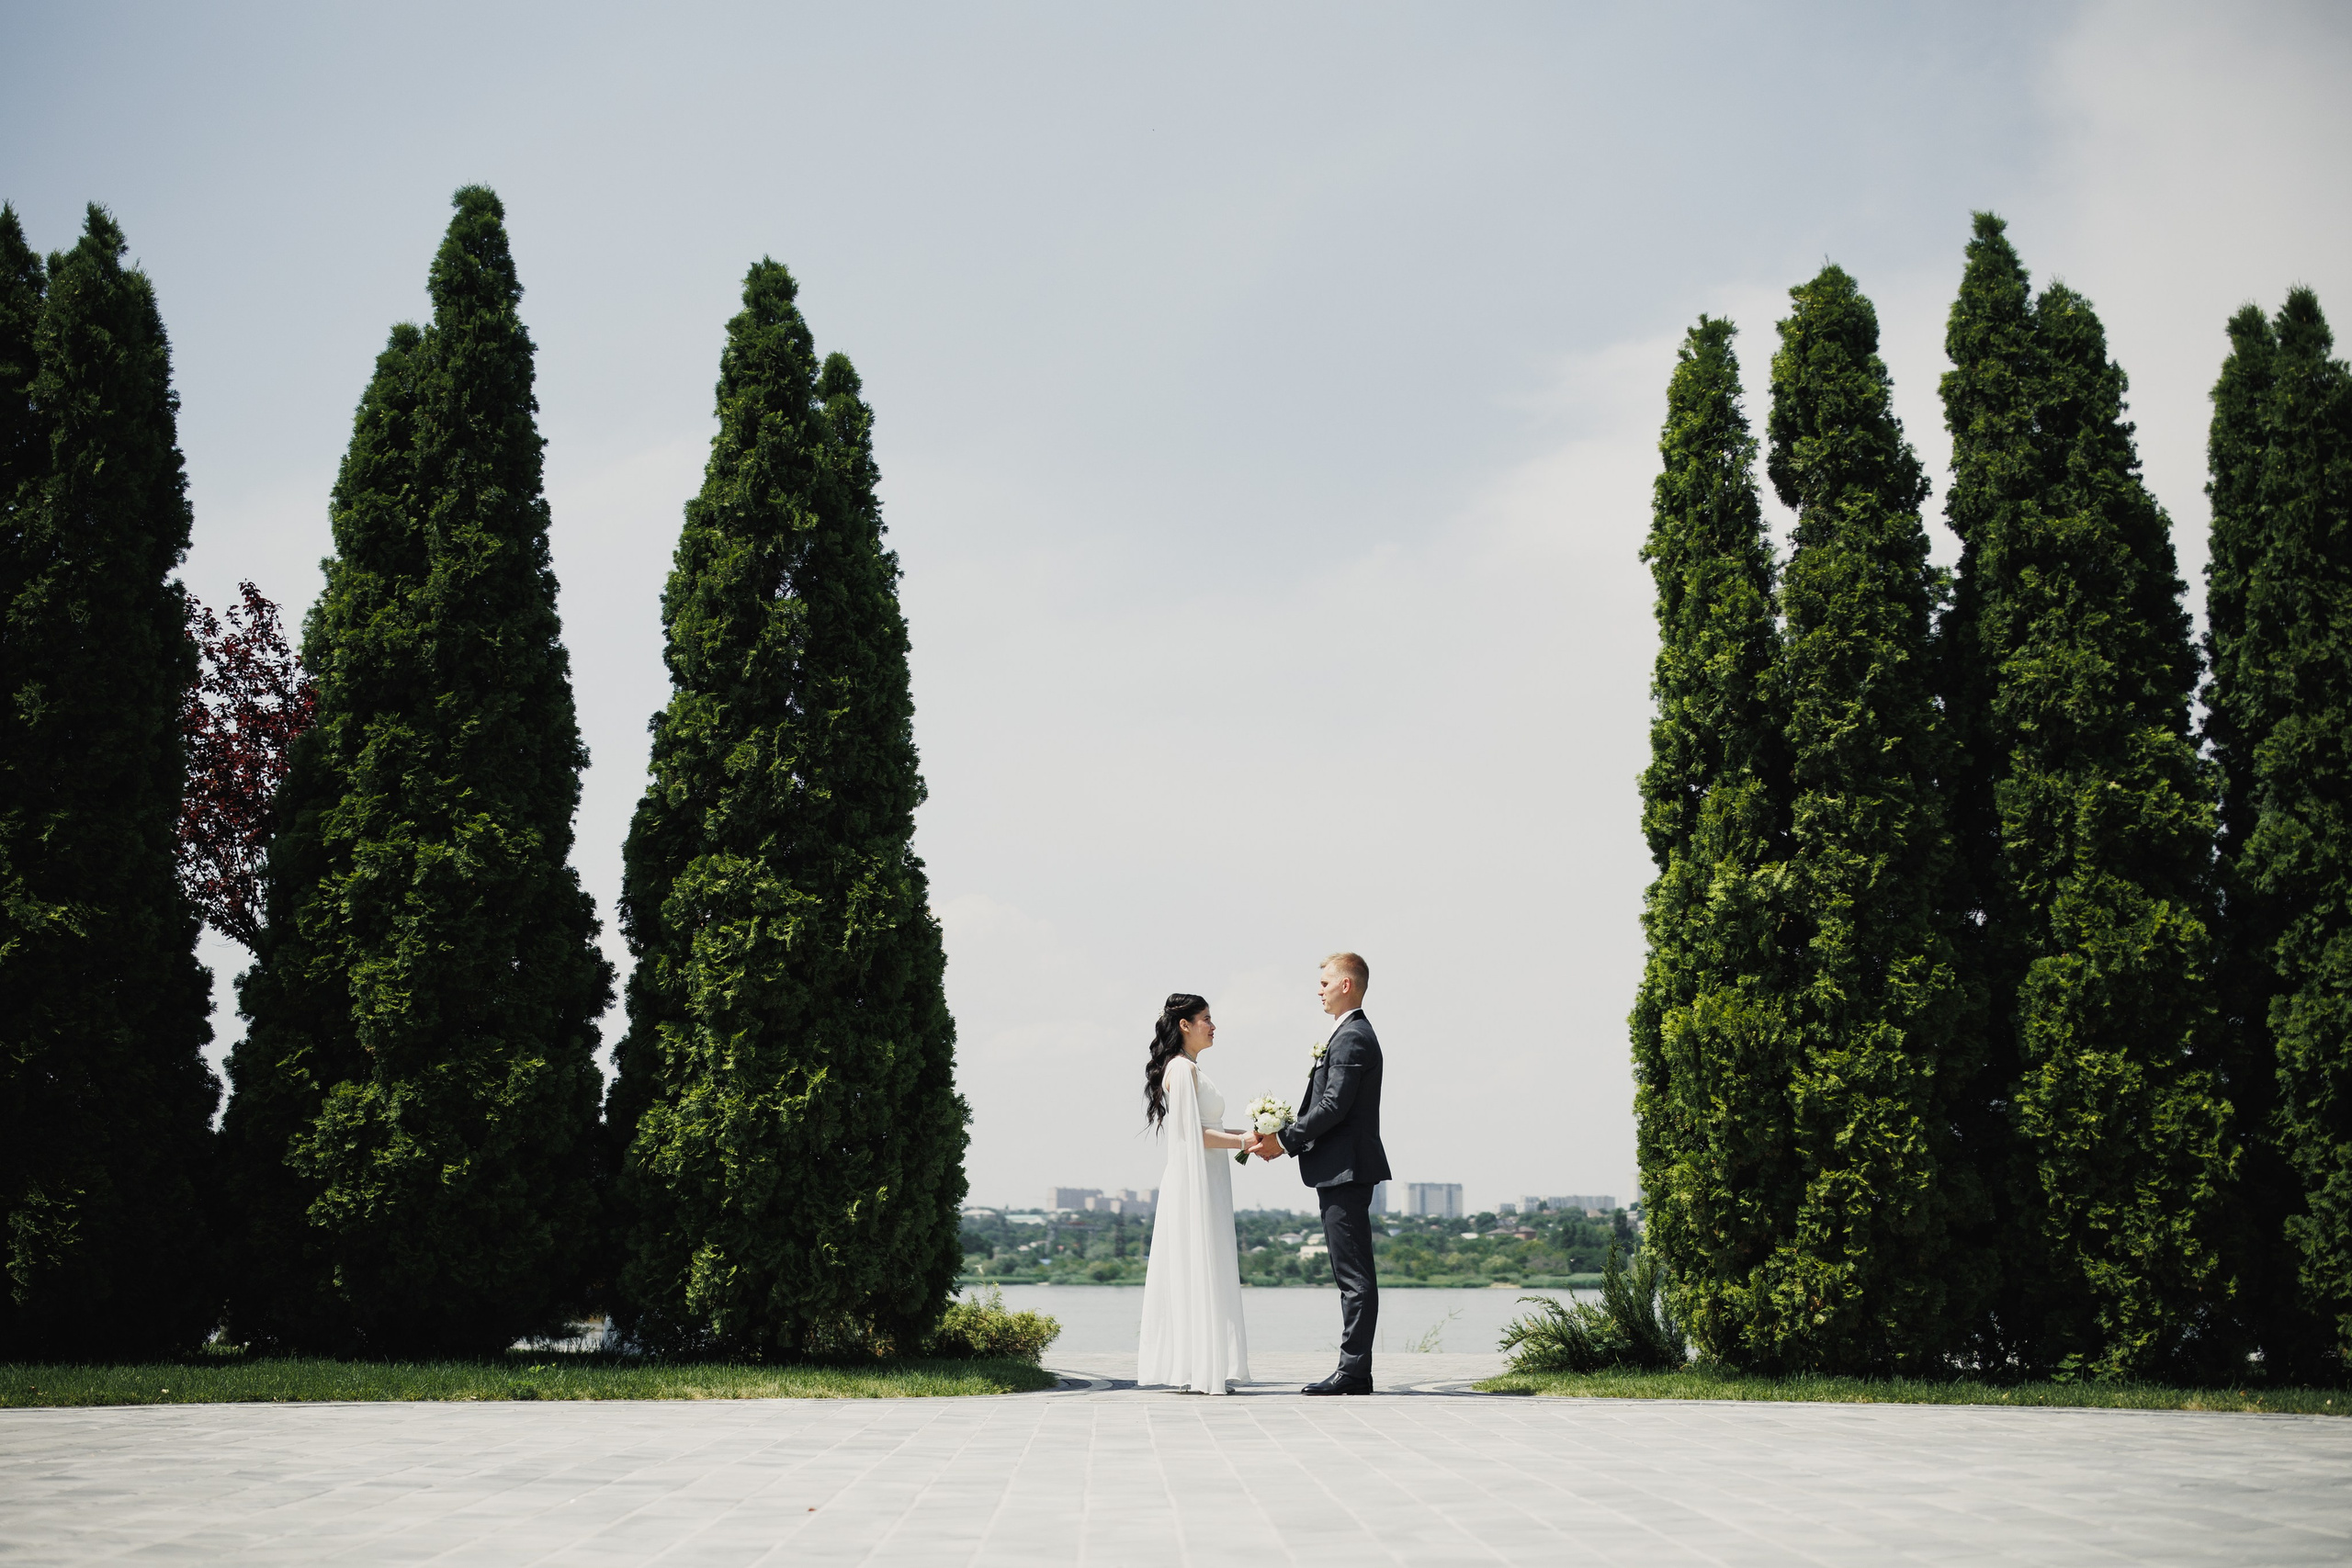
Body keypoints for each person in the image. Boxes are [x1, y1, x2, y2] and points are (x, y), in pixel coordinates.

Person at [1247, 952, 1389, 1394]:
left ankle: (1353, 1372)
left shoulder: (1352, 1037)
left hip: (1346, 1169)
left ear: (1346, 985)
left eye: (1325, 982)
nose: (1319, 990)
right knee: (1351, 1274)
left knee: (1354, 1277)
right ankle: (1355, 1370)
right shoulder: (1348, 1034)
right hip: (1340, 1169)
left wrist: (1284, 1139)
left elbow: (1333, 1105)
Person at [1136, 993, 1253, 1393]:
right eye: (1206, 1018)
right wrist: (1244, 1143)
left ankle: (1205, 1364)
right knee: (1195, 1264)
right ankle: (1195, 1369)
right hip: (1194, 1180)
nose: (1213, 1026)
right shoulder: (1181, 1069)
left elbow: (1210, 1129)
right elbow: (1195, 1135)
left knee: (1211, 1264)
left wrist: (1255, 1135)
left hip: (1212, 1177)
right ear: (1184, 1025)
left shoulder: (1192, 1069)